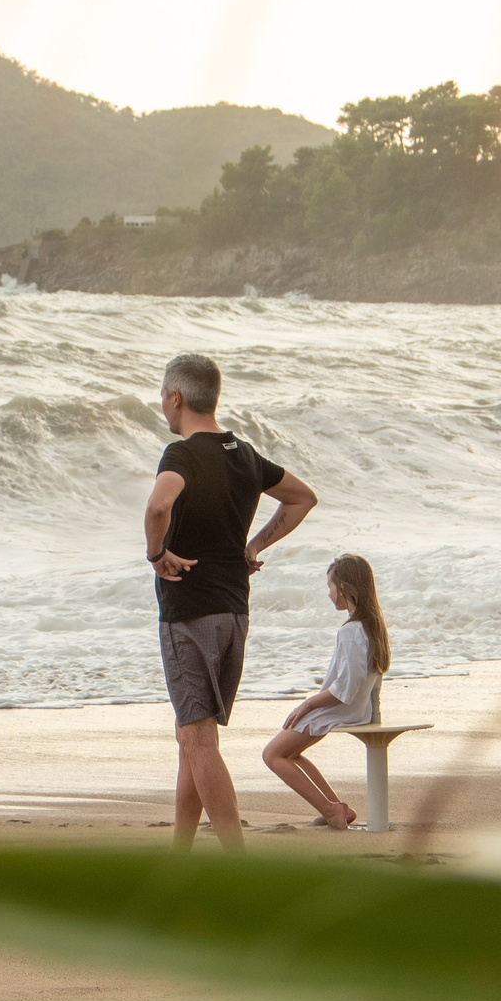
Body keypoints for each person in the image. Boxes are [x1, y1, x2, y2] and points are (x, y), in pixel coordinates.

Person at [143, 353, 317, 851]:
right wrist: (255, 546)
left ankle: (236, 861)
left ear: (175, 397)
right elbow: (302, 497)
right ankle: (178, 855)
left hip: (189, 611)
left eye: (162, 396)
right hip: (234, 612)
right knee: (191, 739)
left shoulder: (181, 455)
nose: (162, 405)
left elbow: (158, 504)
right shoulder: (244, 455)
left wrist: (157, 554)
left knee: (199, 742)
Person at [262, 553, 389, 829]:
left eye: (330, 587)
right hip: (356, 709)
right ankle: (339, 808)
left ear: (344, 589)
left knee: (272, 754)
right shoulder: (372, 627)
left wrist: (308, 705)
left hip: (340, 709)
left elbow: (344, 687)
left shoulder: (352, 632)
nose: (329, 594)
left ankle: (331, 811)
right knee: (291, 754)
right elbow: (370, 682)